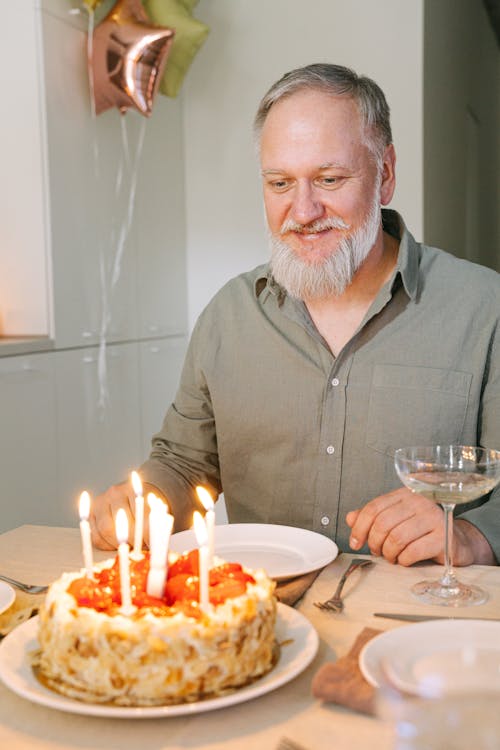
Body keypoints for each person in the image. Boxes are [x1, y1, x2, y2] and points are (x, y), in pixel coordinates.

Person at [90, 63, 500, 567]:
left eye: (328, 179)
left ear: (386, 174)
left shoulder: (485, 308)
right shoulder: (229, 314)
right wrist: (144, 501)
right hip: (259, 619)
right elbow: (183, 462)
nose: (303, 211)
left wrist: (472, 536)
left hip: (419, 624)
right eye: (280, 183)